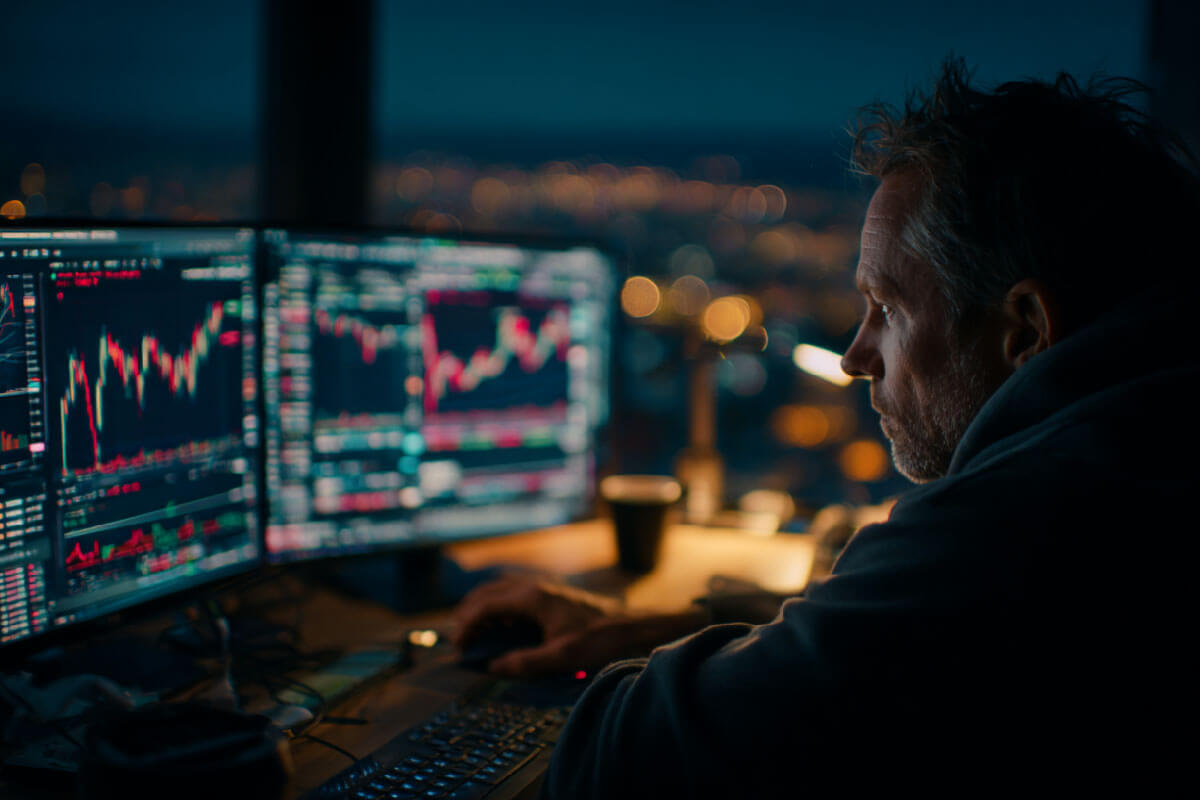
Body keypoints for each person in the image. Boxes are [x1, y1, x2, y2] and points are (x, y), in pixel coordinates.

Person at [453, 58, 1200, 796]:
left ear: (1025, 330)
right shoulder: (1146, 433)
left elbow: (627, 755)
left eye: (889, 309)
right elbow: (887, 631)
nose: (854, 356)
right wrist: (667, 626)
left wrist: (633, 677)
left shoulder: (1037, 510)